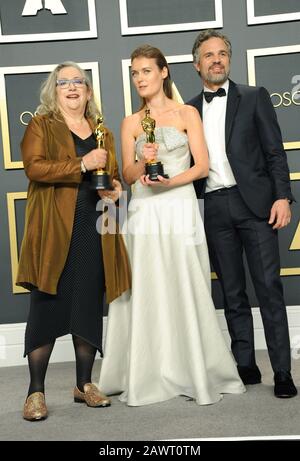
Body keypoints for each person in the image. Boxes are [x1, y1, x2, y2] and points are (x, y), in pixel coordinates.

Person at [98, 45, 245, 406]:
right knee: (149, 286)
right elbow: (129, 176)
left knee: (185, 282)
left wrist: (171, 182)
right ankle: (148, 370)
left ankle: (193, 366)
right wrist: (141, 160)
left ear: (163, 72)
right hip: (145, 212)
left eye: (146, 71)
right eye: (134, 73)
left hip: (179, 205)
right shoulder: (132, 122)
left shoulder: (187, 113)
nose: (139, 79)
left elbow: (201, 166)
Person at [17, 61, 131, 421]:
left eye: (78, 82)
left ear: (88, 90)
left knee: (86, 303)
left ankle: (85, 384)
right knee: (47, 307)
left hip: (95, 229)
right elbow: (34, 168)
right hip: (54, 229)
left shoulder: (102, 131)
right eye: (63, 82)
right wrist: (82, 164)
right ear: (54, 91)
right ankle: (35, 391)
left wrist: (115, 192)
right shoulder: (41, 125)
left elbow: (112, 178)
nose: (71, 87)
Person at [187, 29, 297, 398]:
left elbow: (275, 153)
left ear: (228, 60)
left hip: (257, 207)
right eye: (209, 55)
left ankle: (282, 371)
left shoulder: (254, 97)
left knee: (268, 289)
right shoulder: (187, 110)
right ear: (196, 63)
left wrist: (283, 197)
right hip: (214, 207)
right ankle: (245, 366)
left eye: (222, 53)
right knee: (232, 294)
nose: (216, 59)